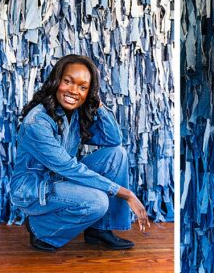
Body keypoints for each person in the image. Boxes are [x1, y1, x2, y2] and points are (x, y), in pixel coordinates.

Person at [9, 54, 150, 252]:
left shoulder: (73, 113)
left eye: (83, 87)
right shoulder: (37, 122)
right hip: (35, 189)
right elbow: (68, 167)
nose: (74, 91)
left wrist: (97, 103)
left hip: (59, 180)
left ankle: (99, 230)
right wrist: (125, 193)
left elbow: (113, 139)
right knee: (97, 201)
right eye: (68, 82)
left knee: (117, 155)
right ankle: (41, 230)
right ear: (56, 81)